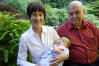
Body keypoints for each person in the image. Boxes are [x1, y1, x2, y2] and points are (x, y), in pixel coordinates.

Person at [17, 2, 67, 66]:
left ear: (44, 16)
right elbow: (20, 60)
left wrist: (65, 55)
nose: (38, 18)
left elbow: (63, 45)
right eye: (34, 15)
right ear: (29, 17)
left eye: (40, 15)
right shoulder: (25, 38)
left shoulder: (51, 31)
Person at [57, 1, 99, 66]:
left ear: (83, 12)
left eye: (77, 12)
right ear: (68, 14)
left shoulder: (91, 26)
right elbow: (54, 49)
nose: (74, 16)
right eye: (71, 14)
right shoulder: (61, 30)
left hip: (96, 62)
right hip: (73, 64)